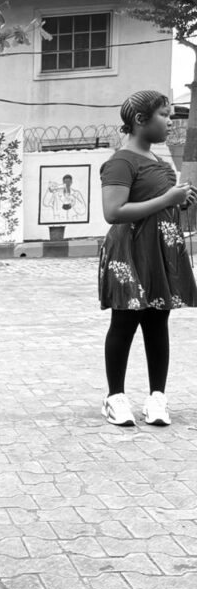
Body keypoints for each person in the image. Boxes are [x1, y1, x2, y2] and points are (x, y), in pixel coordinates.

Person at [99, 90, 197, 426]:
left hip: (160, 252)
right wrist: (168, 198)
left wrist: (178, 201)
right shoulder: (122, 161)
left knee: (157, 323)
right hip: (129, 252)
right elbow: (114, 212)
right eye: (164, 115)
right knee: (124, 322)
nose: (170, 122)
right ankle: (115, 397)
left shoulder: (159, 161)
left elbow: (157, 201)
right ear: (141, 120)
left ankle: (157, 397)